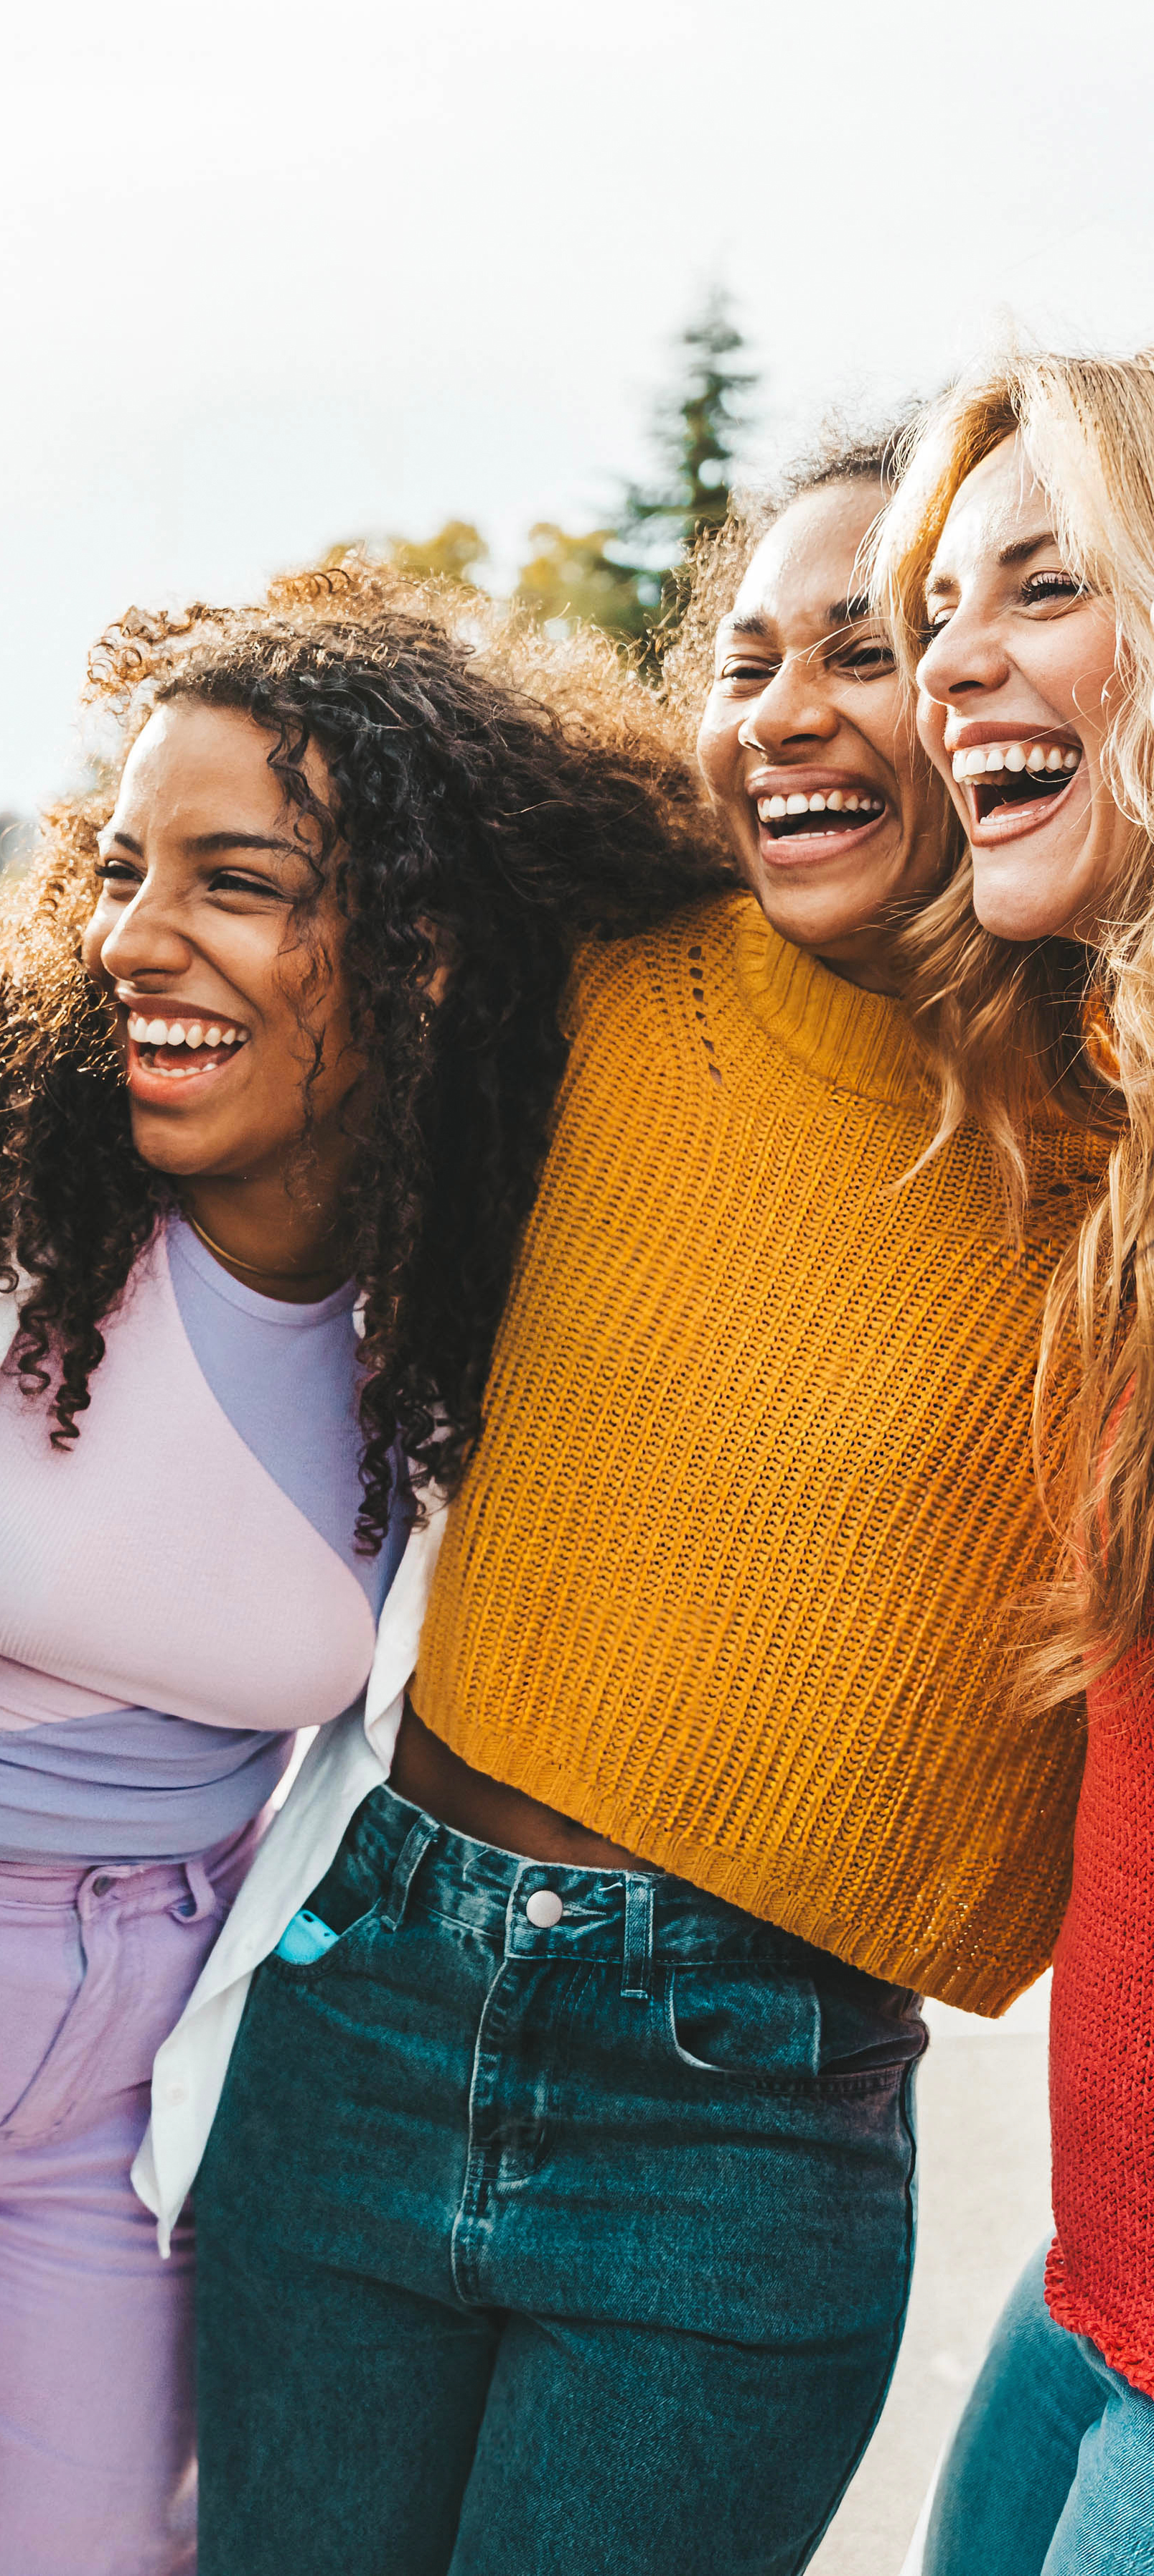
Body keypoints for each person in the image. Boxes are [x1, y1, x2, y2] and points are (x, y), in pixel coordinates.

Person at [0, 437, 1106, 2576]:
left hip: (741, 2113)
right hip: (371, 1990)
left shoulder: (1105, 1121)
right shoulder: (588, 983)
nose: (784, 705)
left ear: (981, 693)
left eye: (862, 647)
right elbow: (245, 940)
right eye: (746, 652)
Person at [0, 565, 718, 2576]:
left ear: (411, 951)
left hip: (154, 2072)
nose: (136, 936)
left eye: (235, 880)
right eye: (119, 868)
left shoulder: (480, 1302)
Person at [875, 350, 1154, 2576]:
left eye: (1043, 584)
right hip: (1096, 2268)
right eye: (933, 608)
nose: (948, 659)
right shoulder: (1100, 1121)